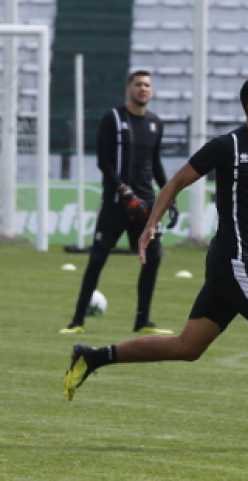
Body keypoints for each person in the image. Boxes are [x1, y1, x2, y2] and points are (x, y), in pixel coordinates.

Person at [62, 75, 248, 451]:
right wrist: (150, 226)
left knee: (188, 347)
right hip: (233, 261)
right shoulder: (227, 147)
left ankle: (92, 357)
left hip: (241, 263)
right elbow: (175, 182)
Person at [60, 70, 177, 335]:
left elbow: (155, 164)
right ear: (129, 88)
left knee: (153, 257)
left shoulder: (156, 123)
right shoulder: (113, 118)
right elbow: (104, 162)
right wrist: (124, 191)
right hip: (116, 204)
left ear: (152, 90)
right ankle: (77, 321)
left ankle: (142, 321)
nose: (143, 89)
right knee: (98, 259)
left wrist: (168, 196)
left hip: (145, 206)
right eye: (138, 84)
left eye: (147, 85)